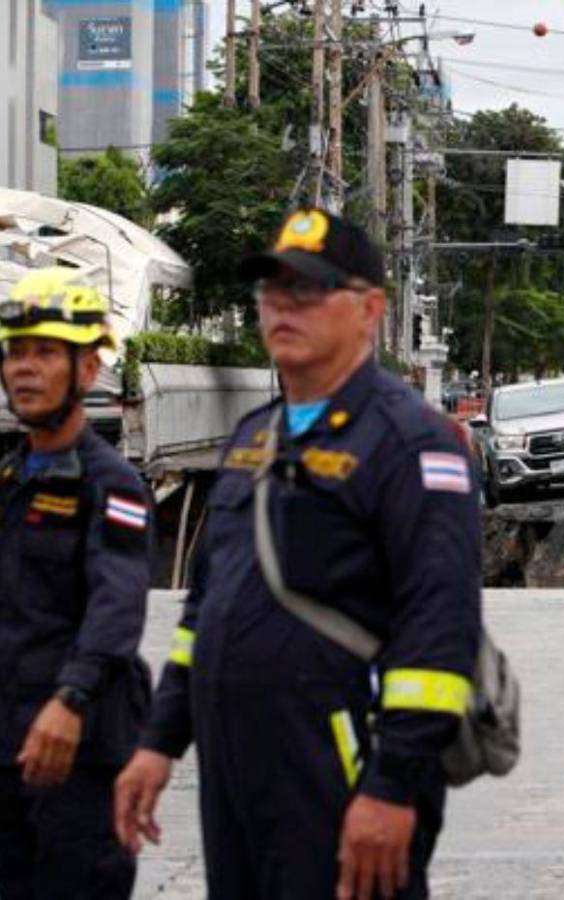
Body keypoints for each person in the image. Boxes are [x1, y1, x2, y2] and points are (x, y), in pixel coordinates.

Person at [114, 209, 482, 900]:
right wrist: (159, 740)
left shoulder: (414, 445)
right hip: (238, 771)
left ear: (370, 309)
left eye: (309, 290)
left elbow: (439, 634)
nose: (284, 306)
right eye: (271, 290)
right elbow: (202, 615)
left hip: (346, 769)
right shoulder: (254, 438)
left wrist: (393, 785)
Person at [0, 268, 153, 899]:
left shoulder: (110, 484)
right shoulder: (11, 478)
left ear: (87, 372)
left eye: (45, 353)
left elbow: (118, 607)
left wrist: (70, 700)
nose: (24, 369)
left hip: (77, 753)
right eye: (15, 352)